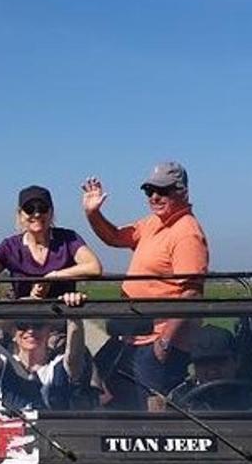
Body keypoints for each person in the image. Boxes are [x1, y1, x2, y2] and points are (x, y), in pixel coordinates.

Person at [81, 162, 209, 410]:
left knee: (151, 410)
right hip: (133, 338)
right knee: (101, 388)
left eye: (163, 191)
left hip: (159, 342)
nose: (154, 197)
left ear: (182, 192)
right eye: (149, 191)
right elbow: (115, 237)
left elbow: (191, 293)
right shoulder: (153, 223)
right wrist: (93, 214)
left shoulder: (186, 233)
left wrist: (164, 343)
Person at [0, 185, 102, 298]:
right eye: (30, 209)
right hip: (24, 324)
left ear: (51, 212)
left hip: (60, 322)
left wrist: (54, 276)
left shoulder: (68, 239)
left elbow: (94, 267)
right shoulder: (10, 247)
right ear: (20, 214)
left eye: (42, 208)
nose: (36, 214)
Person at [0, 292, 88, 411]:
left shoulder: (59, 367)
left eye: (38, 324)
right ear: (13, 334)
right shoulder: (2, 365)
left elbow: (74, 356)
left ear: (49, 331)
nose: (30, 331)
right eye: (22, 325)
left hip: (51, 429)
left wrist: (74, 315)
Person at [168, 325, 252, 411]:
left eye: (219, 361)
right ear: (194, 367)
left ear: (236, 362)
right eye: (203, 363)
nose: (212, 370)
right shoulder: (179, 400)